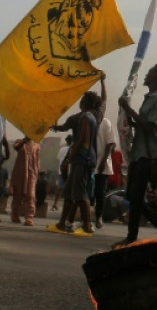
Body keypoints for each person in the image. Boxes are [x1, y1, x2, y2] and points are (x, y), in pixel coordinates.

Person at [113, 64, 157, 248]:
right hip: (138, 154)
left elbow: (148, 126)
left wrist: (128, 109)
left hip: (148, 155)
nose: (146, 75)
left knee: (136, 196)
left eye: (150, 72)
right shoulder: (149, 98)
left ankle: (132, 237)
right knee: (132, 196)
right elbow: (142, 124)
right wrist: (127, 118)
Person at [48, 91, 99, 236]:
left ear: (84, 102)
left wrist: (69, 158)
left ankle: (87, 226)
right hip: (81, 159)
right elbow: (65, 127)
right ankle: (61, 224)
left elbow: (83, 140)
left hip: (83, 160)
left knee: (80, 194)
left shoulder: (85, 118)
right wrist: (56, 125)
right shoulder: (88, 117)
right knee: (69, 192)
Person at [93, 76, 116, 229]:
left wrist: (102, 162)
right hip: (90, 162)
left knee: (100, 192)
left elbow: (110, 144)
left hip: (102, 164)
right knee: (89, 192)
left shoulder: (105, 122)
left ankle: (98, 216)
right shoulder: (88, 120)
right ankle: (89, 216)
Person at [10, 136, 41, 225]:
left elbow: (38, 160)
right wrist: (24, 140)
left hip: (32, 173)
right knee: (17, 194)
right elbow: (16, 147)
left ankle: (29, 217)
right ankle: (15, 214)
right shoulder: (20, 142)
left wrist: (37, 172)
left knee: (30, 195)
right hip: (20, 172)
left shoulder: (37, 145)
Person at [52, 135, 72, 212]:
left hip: (62, 171)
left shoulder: (61, 149)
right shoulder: (73, 149)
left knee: (59, 188)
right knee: (70, 190)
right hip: (70, 172)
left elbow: (58, 159)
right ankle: (68, 207)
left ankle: (55, 204)